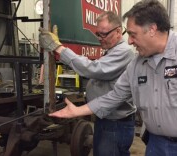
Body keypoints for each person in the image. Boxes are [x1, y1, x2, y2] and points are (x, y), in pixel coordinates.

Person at [48, 1, 177, 156]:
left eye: (132, 34)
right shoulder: (137, 64)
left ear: (152, 29)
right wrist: (77, 111)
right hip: (155, 145)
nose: (129, 41)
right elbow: (114, 96)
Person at [39, 11, 136, 156]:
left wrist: (58, 47)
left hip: (115, 124)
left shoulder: (124, 52)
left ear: (117, 31)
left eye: (103, 34)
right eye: (98, 34)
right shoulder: (111, 50)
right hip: (107, 120)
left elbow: (93, 69)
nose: (99, 39)